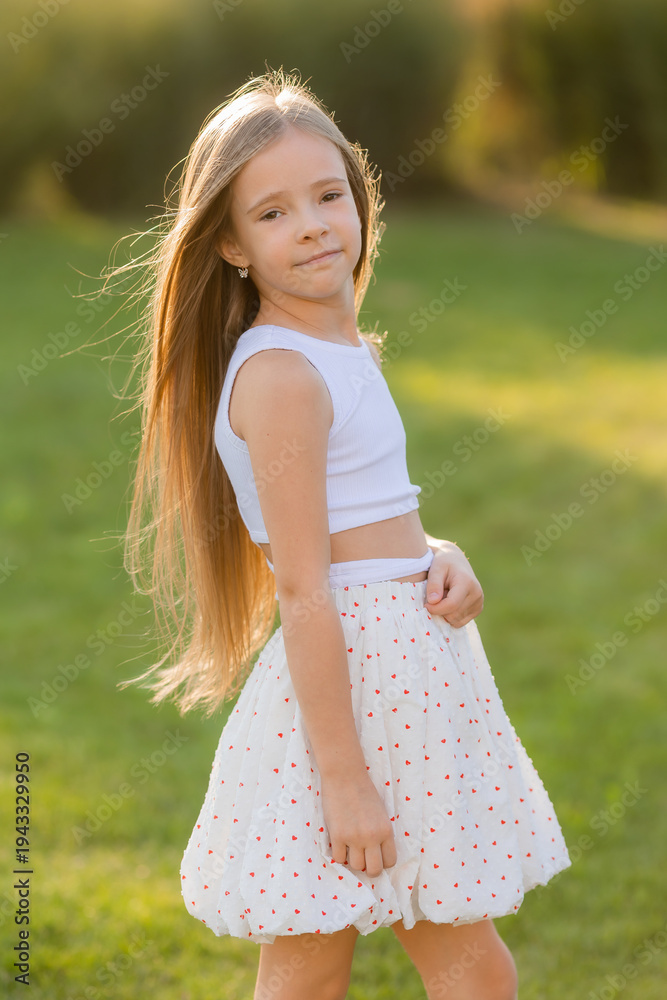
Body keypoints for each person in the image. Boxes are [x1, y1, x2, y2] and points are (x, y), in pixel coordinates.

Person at [115, 68, 570, 1000]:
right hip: (353, 697)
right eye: (272, 212)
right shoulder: (282, 376)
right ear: (231, 245)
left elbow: (360, 523)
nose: (314, 225)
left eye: (328, 195)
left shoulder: (341, 349)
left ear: (360, 198)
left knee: (448, 967)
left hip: (405, 673)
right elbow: (303, 584)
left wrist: (434, 553)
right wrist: (344, 779)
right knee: (325, 969)